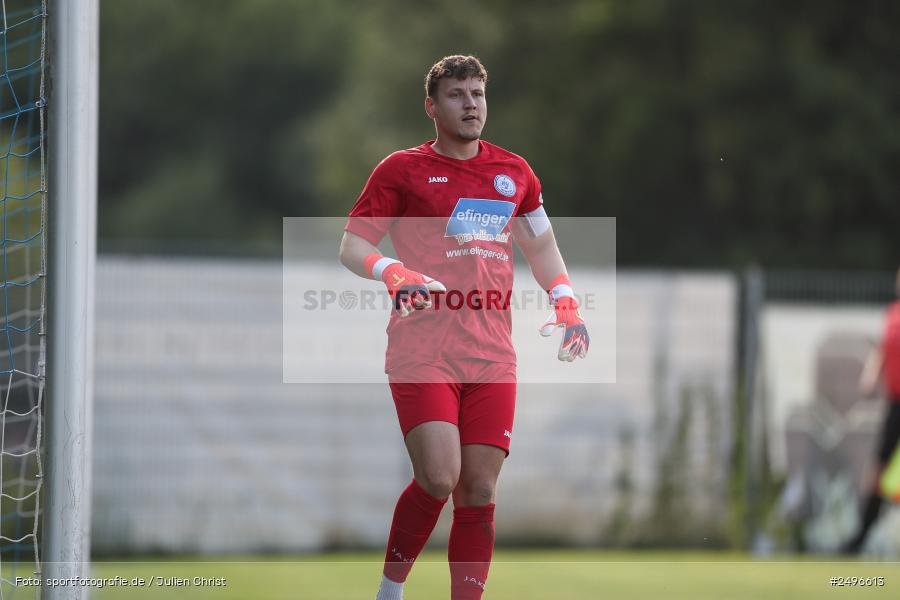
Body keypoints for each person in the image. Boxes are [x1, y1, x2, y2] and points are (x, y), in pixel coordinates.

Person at [338, 55, 589, 600]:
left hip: (492, 355)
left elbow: (541, 245)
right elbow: (353, 244)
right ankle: (389, 590)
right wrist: (392, 270)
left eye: (477, 93)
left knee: (477, 488)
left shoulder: (515, 174)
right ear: (431, 107)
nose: (471, 103)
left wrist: (565, 300)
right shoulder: (400, 171)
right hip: (422, 350)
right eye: (457, 94)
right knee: (439, 476)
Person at [842, 267, 900, 554]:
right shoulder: (892, 315)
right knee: (878, 470)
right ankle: (861, 534)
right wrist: (871, 375)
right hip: (895, 404)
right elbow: (882, 351)